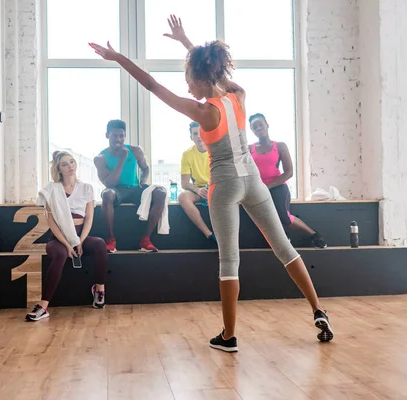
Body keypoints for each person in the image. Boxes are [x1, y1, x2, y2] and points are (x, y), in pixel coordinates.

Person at [89, 14, 333, 350]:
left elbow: (152, 86)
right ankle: (319, 310)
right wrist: (188, 43)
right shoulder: (237, 96)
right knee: (284, 248)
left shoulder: (205, 112)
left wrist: (118, 59)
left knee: (229, 260)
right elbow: (214, 74)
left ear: (201, 79)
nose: (186, 84)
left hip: (226, 184)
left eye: (189, 77)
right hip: (254, 182)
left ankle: (229, 336)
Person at [27, 151, 108, 321]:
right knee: (61, 253)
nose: (70, 166)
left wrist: (80, 241)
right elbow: (52, 222)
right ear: (59, 169)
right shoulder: (51, 189)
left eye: (72, 162)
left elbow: (89, 218)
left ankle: (99, 290)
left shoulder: (87, 188)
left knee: (100, 243)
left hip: (80, 236)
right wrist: (67, 244)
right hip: (58, 238)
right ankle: (43, 306)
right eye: (65, 164)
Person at [249, 113, 328, 249]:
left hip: (278, 186)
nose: (258, 128)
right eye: (254, 127)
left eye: (260, 124)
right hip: (258, 190)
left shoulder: (279, 146)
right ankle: (284, 237)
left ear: (267, 125)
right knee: (264, 219)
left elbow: (289, 172)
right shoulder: (250, 149)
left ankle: (313, 234)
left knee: (284, 217)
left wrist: (268, 186)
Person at [94, 119, 167, 253]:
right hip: (117, 190)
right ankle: (111, 240)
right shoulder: (100, 158)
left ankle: (146, 239)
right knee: (107, 194)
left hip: (135, 189)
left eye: (122, 136)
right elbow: (110, 183)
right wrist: (122, 159)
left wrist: (142, 183)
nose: (119, 139)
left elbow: (145, 168)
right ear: (107, 135)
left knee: (160, 192)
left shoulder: (136, 150)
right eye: (115, 136)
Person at [178, 121, 216, 242]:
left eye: (201, 133)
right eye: (195, 134)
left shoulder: (215, 150)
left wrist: (211, 188)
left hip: (216, 188)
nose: (198, 136)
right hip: (199, 189)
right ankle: (209, 235)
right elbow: (184, 183)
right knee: (183, 196)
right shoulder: (187, 154)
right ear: (191, 137)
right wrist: (198, 190)